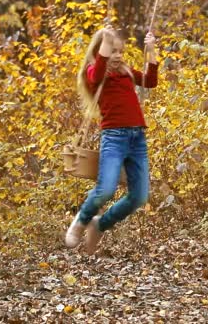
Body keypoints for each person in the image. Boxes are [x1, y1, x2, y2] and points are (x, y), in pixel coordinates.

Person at [65, 25, 159, 254]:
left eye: (120, 51)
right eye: (112, 51)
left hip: (137, 137)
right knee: (106, 188)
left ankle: (101, 224)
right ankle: (82, 220)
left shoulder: (126, 71)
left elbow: (150, 81)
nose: (117, 56)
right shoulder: (93, 74)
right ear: (100, 52)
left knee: (139, 196)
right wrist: (105, 42)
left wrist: (151, 50)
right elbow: (97, 71)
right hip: (114, 137)